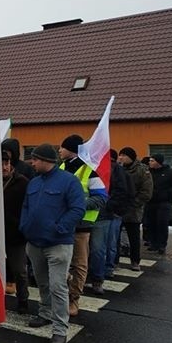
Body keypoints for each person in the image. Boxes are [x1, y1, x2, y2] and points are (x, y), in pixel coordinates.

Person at [20, 144, 85, 343]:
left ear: (47, 161)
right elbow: (26, 207)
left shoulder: (69, 181)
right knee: (42, 283)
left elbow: (78, 208)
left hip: (58, 244)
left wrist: (60, 228)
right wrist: (25, 226)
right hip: (35, 242)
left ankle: (60, 329)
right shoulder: (34, 182)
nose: (32, 162)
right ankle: (45, 313)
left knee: (58, 286)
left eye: (36, 159)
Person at [58, 135, 107, 317]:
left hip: (81, 225)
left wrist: (77, 204)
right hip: (63, 224)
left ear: (71, 149)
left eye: (62, 147)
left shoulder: (89, 170)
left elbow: (101, 197)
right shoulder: (62, 167)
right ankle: (62, 296)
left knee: (79, 264)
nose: (59, 151)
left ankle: (74, 299)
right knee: (63, 263)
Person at [87, 150, 130, 293]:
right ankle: (84, 276)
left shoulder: (114, 168)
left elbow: (121, 190)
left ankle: (97, 279)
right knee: (82, 250)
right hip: (84, 215)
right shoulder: (85, 166)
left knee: (99, 249)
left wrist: (109, 206)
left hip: (103, 215)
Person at [1, 150, 30, 312]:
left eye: (7, 163)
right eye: (1, 163)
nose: (4, 167)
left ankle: (23, 300)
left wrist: (23, 227)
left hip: (16, 235)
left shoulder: (22, 182)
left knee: (19, 270)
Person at [117, 147, 153, 271]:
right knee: (115, 237)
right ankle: (114, 261)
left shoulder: (142, 170)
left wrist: (133, 204)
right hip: (119, 208)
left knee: (134, 237)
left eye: (123, 155)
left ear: (131, 157)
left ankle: (135, 261)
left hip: (133, 210)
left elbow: (146, 192)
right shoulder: (118, 168)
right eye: (120, 155)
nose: (120, 158)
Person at [145, 153, 172, 255]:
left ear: (158, 162)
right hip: (151, 202)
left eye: (152, 161)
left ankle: (162, 245)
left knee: (162, 223)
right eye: (150, 161)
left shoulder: (169, 172)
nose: (150, 162)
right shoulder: (148, 172)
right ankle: (153, 244)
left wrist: (167, 193)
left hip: (164, 202)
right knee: (151, 223)